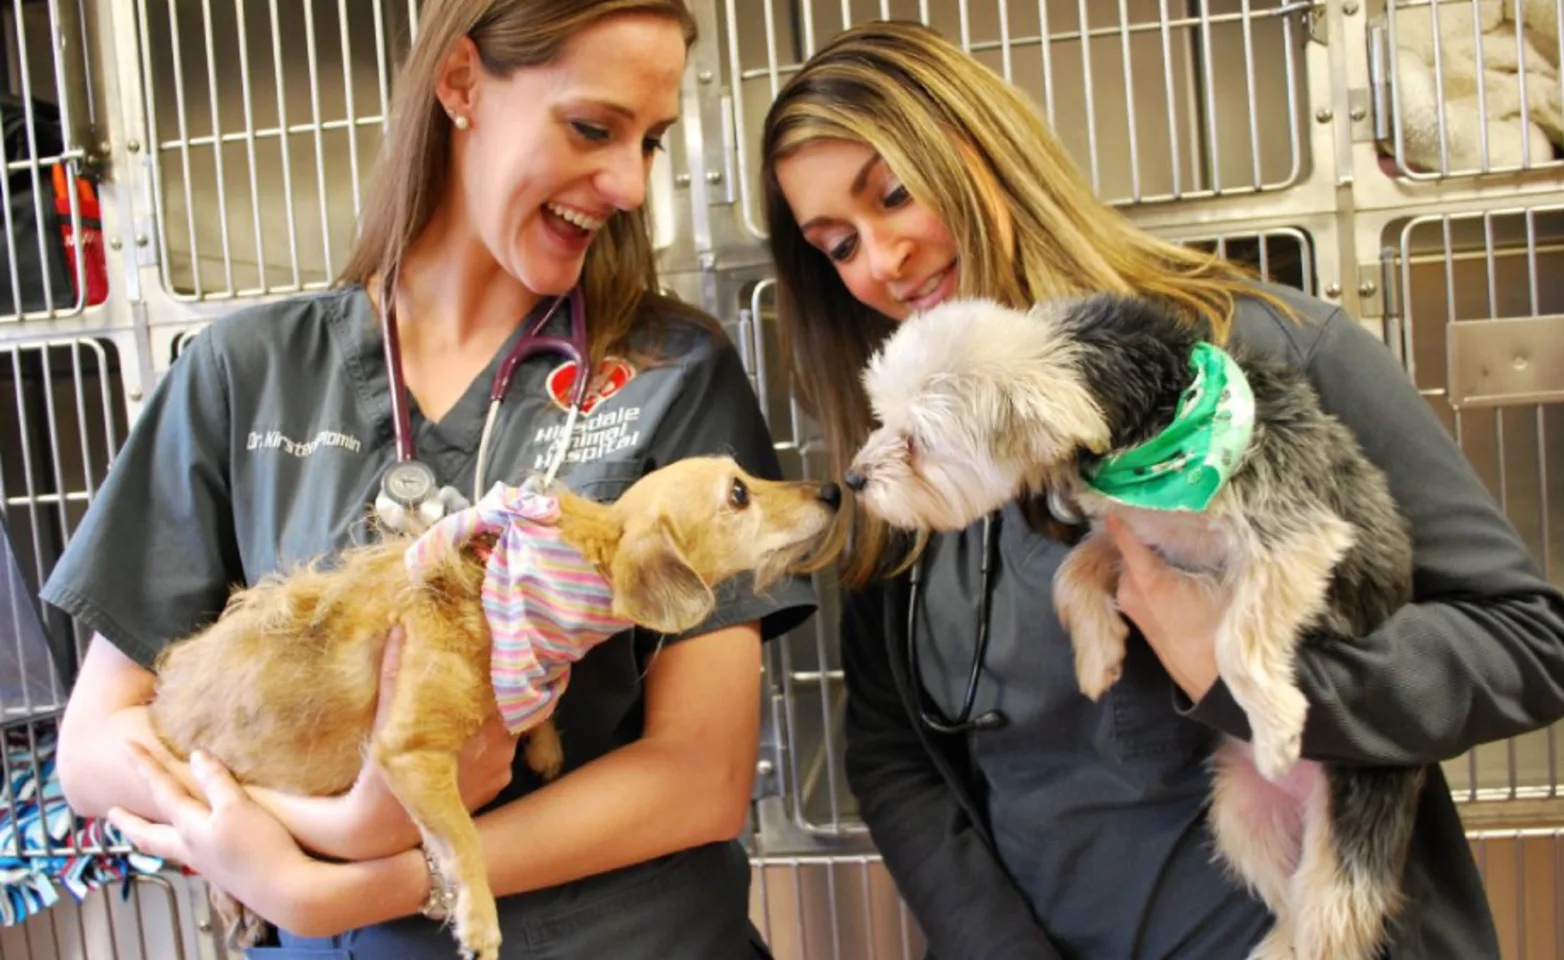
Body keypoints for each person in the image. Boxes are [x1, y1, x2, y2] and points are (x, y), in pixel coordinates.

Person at [760, 19, 1564, 960]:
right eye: (837, 244)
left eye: (896, 194)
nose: (883, 260)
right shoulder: (909, 469)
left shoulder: (1251, 359)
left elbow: (1526, 642)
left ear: (992, 157)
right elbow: (894, 754)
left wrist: (1240, 668)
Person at [40, 2, 817, 957]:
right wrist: (326, 833)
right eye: (591, 127)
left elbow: (700, 776)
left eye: (652, 142)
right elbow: (93, 751)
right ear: (459, 85)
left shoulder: (673, 372)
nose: (626, 182)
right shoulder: (245, 373)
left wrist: (377, 877)